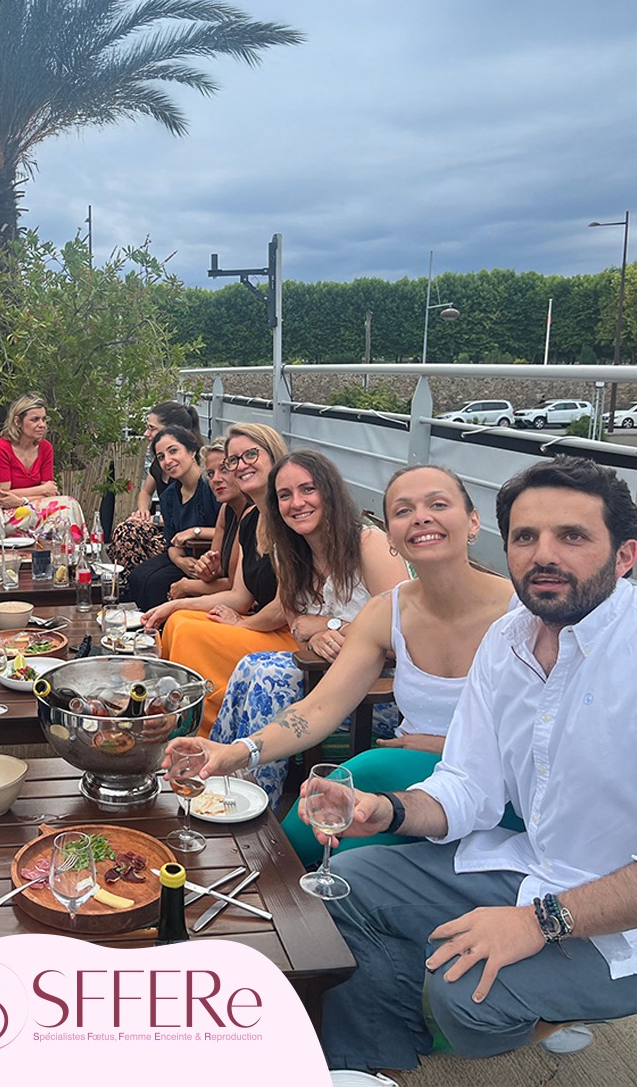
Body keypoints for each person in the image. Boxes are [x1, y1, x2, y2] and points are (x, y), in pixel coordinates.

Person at [316, 455, 637, 1075]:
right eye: (525, 537)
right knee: (346, 885)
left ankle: (546, 1006)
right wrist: (382, 810)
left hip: (617, 924)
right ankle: (364, 1066)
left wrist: (540, 923)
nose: (544, 555)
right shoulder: (508, 641)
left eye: (572, 536)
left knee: (467, 999)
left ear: (624, 557)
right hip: (530, 871)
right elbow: (469, 786)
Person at [192, 465, 511, 830]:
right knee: (299, 836)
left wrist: (445, 745)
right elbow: (318, 708)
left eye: (438, 505)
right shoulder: (385, 611)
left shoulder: (523, 616)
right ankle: (235, 808)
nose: (421, 518)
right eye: (404, 511)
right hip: (408, 772)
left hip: (491, 783)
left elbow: (555, 743)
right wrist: (236, 753)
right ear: (391, 535)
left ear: (473, 522)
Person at [208, 450, 410, 805]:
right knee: (250, 666)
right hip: (324, 680)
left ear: (329, 492)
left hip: (377, 694)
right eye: (285, 495)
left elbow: (403, 636)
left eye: (308, 490)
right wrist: (314, 633)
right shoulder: (293, 553)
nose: (296, 503)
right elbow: (296, 624)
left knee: (273, 677)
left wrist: (331, 625)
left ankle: (255, 807)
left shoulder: (368, 544)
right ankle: (217, 779)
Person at [141, 423, 291, 733]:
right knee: (179, 621)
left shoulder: (290, 516)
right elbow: (239, 596)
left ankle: (200, 731)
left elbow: (285, 606)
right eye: (235, 460)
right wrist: (174, 606)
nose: (240, 466)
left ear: (274, 456)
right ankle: (171, 716)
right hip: (262, 620)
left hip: (287, 632)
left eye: (251, 455)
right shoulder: (252, 519)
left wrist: (243, 624)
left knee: (189, 635)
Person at [126, 426, 219, 610]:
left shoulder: (212, 486)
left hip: (213, 557)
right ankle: (150, 629)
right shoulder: (169, 496)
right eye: (161, 457)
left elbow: (231, 531)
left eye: (173, 451)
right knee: (137, 577)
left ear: (192, 451)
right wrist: (180, 561)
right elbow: (171, 543)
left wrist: (195, 532)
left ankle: (165, 629)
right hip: (185, 558)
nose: (168, 461)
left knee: (156, 584)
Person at [109, 400, 202, 582]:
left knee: (129, 534)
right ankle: (131, 585)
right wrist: (143, 511)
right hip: (167, 528)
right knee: (126, 531)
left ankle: (130, 586)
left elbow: (190, 513)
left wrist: (154, 519)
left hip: (184, 534)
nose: (146, 433)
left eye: (152, 428)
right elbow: (145, 492)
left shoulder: (187, 467)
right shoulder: (159, 464)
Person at [0, 393, 84, 527]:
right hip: (3, 513)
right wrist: (41, 489)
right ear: (17, 422)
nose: (42, 425)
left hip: (31, 506)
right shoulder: (1, 448)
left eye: (44, 419)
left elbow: (49, 493)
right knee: (66, 509)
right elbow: (3, 496)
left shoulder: (45, 448)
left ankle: (71, 547)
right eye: (35, 419)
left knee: (69, 506)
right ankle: (76, 545)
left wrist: (23, 500)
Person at [167, 438, 247, 601]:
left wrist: (186, 586)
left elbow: (235, 586)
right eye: (210, 474)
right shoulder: (226, 510)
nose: (216, 479)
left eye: (224, 469)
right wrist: (206, 569)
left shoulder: (251, 512)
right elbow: (216, 571)